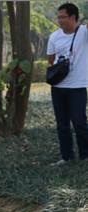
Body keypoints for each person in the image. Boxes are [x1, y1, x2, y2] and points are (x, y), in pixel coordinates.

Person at [47, 2, 88, 166]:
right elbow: (51, 60)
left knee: (79, 122)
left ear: (73, 18)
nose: (59, 20)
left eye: (63, 17)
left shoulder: (84, 33)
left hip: (77, 87)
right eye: (58, 17)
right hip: (58, 87)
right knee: (62, 124)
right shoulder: (54, 36)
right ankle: (66, 157)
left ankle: (85, 155)